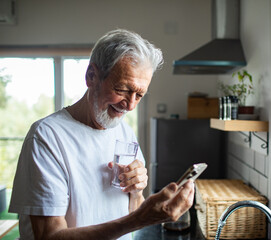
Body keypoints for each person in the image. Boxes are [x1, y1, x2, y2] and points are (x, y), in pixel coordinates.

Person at [9, 29, 195, 240]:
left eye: (140, 95)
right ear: (91, 76)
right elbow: (50, 236)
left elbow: (131, 213)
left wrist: (136, 192)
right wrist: (139, 219)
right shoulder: (47, 137)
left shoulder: (125, 132)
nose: (131, 105)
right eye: (123, 89)